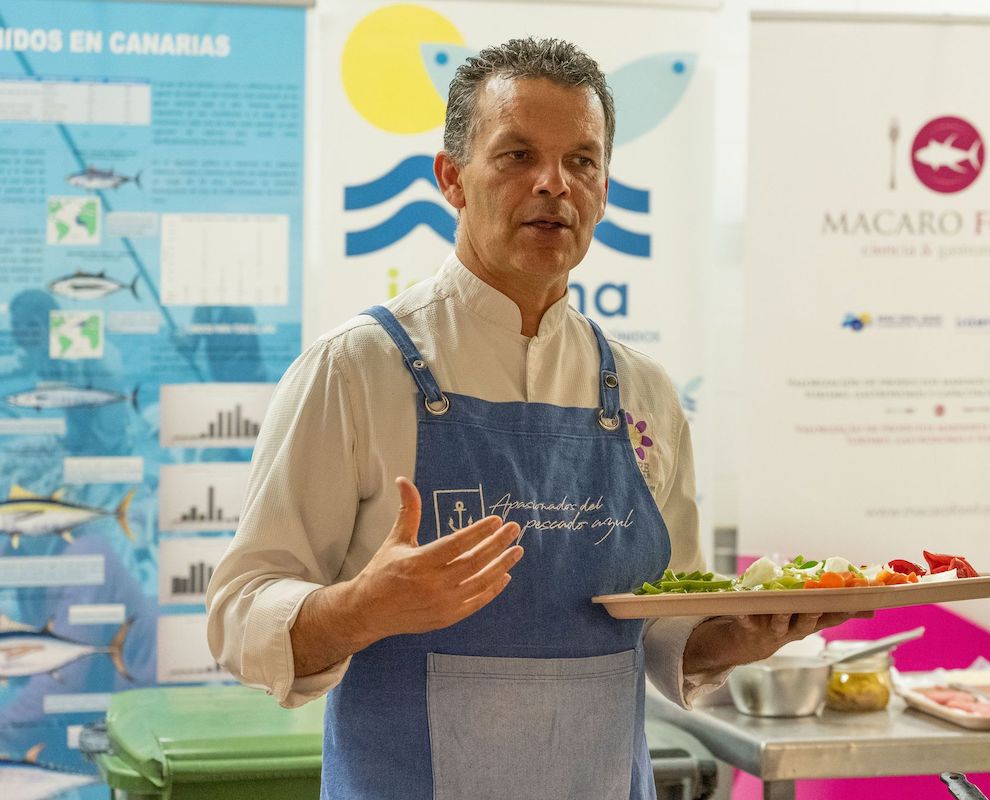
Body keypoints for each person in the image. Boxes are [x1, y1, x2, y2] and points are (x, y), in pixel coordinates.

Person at [207, 37, 854, 800]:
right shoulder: (355, 370)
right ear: (452, 178)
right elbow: (238, 613)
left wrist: (738, 635)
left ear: (605, 187)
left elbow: (665, 623)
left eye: (582, 161)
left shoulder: (643, 393)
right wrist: (358, 609)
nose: (555, 184)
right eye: (516, 155)